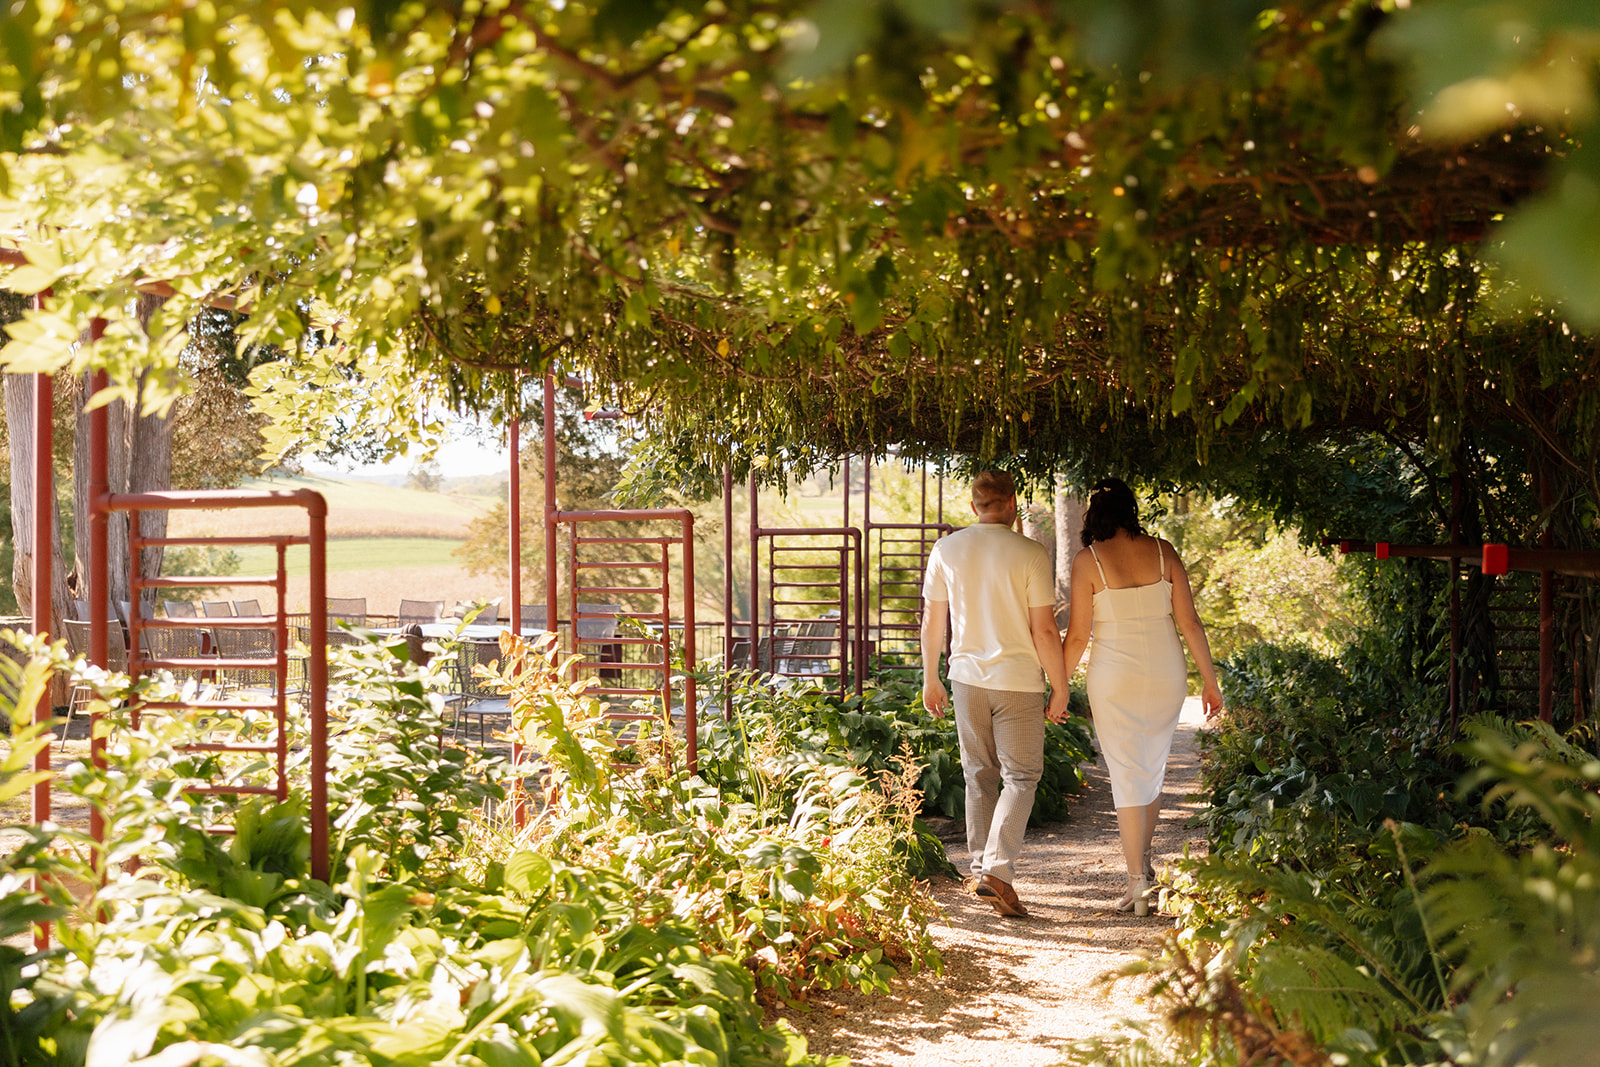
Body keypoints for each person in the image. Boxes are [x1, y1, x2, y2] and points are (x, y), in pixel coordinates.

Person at [1061, 477, 1223, 916]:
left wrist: (1058, 687)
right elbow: (1190, 623)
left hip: (1114, 676)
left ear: (1094, 515)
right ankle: (1144, 872)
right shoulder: (1163, 551)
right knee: (1149, 766)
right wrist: (1210, 682)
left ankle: (1137, 883)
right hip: (1165, 672)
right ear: (1132, 512)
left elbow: (1077, 637)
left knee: (1128, 773)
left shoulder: (1088, 560)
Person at [921, 470, 1071, 918]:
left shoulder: (947, 548)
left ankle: (981, 869)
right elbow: (1044, 628)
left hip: (966, 679)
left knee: (979, 774)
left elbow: (932, 622)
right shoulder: (1029, 552)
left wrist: (931, 678)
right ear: (1011, 503)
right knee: (1022, 777)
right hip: (1018, 680)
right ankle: (996, 872)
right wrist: (1060, 686)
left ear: (974, 506)